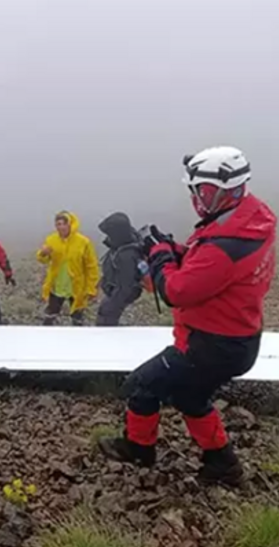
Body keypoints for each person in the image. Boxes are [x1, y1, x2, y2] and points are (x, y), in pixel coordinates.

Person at [98, 146, 277, 486]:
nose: (196, 198)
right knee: (190, 396)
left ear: (220, 190)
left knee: (142, 385)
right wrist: (176, 250)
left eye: (200, 191)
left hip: (210, 345)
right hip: (234, 340)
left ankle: (139, 448)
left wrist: (162, 255)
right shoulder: (245, 224)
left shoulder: (226, 244)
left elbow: (176, 290)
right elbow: (207, 264)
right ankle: (222, 465)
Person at [36, 211, 99, 325]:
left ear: (70, 224)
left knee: (77, 317)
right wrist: (43, 254)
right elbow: (43, 260)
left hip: (76, 286)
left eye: (63, 224)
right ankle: (45, 339)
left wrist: (91, 288)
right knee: (50, 316)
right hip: (57, 285)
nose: (61, 227)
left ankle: (78, 340)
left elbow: (91, 266)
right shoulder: (51, 240)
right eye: (58, 224)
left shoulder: (83, 242)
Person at [96, 212, 149, 326]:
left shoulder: (127, 255)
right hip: (116, 290)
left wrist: (114, 303)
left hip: (120, 293)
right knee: (106, 314)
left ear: (117, 234)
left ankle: (107, 340)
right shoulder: (123, 246)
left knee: (106, 318)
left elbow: (125, 285)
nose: (108, 237)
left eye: (110, 234)